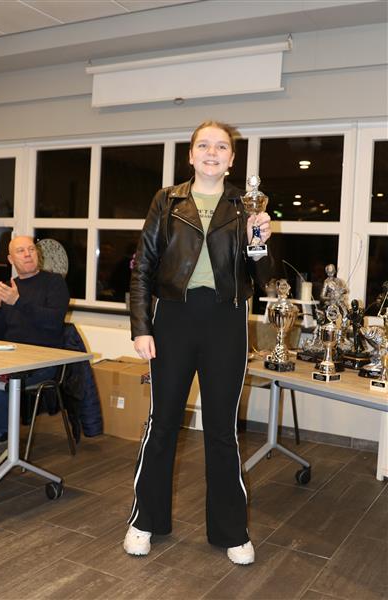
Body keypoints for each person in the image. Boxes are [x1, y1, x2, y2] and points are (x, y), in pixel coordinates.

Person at [124, 121, 272, 565]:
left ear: (232, 159)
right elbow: (142, 267)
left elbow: (262, 279)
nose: (212, 152)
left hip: (226, 321)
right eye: (203, 145)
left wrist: (260, 242)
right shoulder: (166, 200)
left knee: (223, 430)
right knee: (162, 423)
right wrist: (141, 327)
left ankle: (231, 531)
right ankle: (145, 521)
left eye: (221, 146)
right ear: (190, 155)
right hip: (173, 318)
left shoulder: (246, 206)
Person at [0, 236, 69, 468]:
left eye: (31, 249)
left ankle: (0, 439)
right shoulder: (8, 288)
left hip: (44, 362)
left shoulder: (54, 283)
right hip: (11, 358)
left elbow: (54, 322)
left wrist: (18, 301)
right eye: (21, 251)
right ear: (10, 259)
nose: (27, 254)